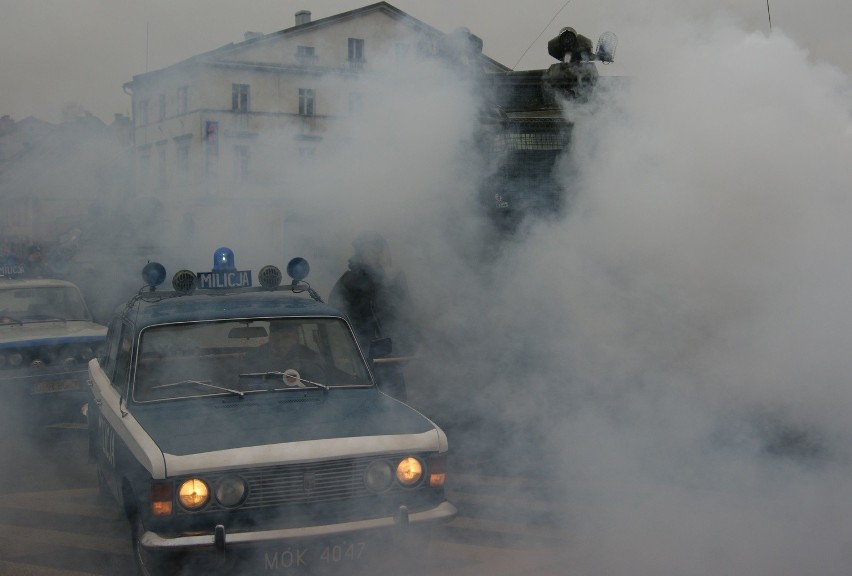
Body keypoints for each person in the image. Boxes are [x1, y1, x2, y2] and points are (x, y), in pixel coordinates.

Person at [329, 232, 416, 399]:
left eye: (377, 250)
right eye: (369, 250)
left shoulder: (389, 278)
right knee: (366, 399)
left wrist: (407, 341)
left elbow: (403, 312)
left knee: (397, 401)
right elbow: (337, 316)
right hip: (360, 355)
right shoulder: (348, 281)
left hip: (388, 356)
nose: (374, 255)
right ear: (360, 253)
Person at [242, 322, 325, 386]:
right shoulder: (254, 356)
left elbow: (322, 383)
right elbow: (245, 385)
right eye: (275, 337)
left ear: (296, 337)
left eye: (286, 337)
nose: (280, 343)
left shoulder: (309, 356)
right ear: (270, 337)